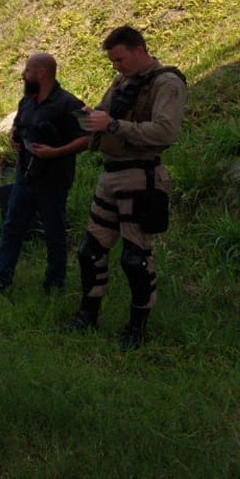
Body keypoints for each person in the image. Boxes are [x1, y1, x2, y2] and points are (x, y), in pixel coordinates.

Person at [61, 26, 187, 351]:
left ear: (139, 50)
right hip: (111, 174)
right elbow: (105, 114)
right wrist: (91, 119)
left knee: (136, 258)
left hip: (142, 177)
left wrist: (114, 125)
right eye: (113, 61)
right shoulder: (122, 82)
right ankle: (87, 315)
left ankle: (137, 328)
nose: (116, 66)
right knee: (89, 251)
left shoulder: (167, 82)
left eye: (120, 59)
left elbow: (164, 133)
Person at [0, 53, 89, 294]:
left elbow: (88, 138)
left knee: (54, 232)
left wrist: (56, 152)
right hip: (25, 178)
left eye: (28, 70)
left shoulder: (69, 104)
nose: (24, 75)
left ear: (41, 73)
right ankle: (1, 280)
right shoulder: (27, 102)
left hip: (53, 181)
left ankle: (54, 284)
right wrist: (15, 138)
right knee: (12, 227)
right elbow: (18, 128)